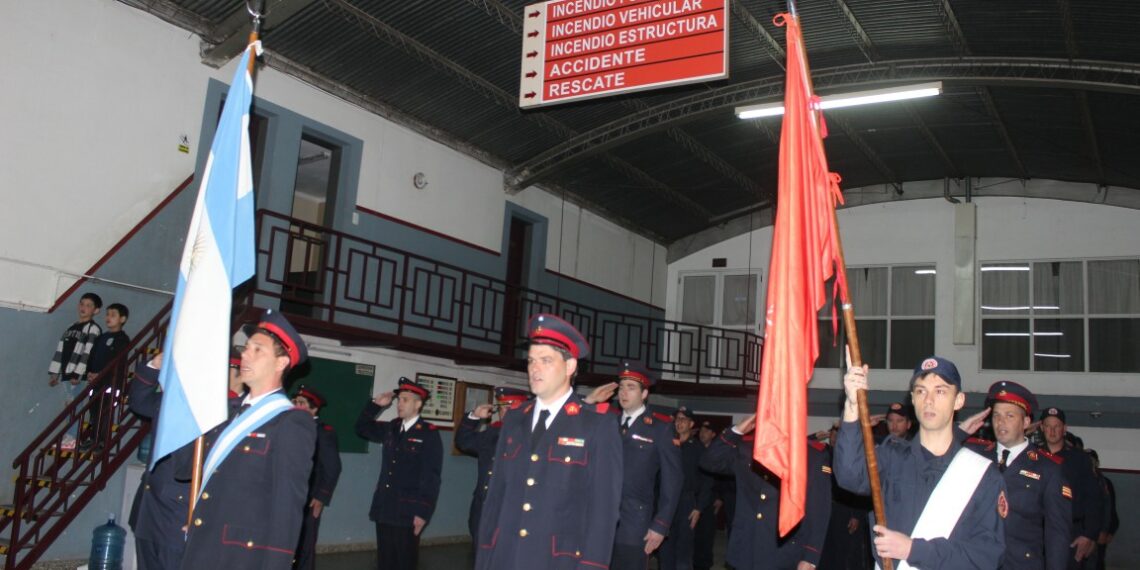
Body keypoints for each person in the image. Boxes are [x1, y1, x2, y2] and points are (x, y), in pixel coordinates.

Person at [474, 313, 622, 570]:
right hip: (505, 557)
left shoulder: (598, 425)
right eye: (531, 361)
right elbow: (496, 497)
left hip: (558, 561)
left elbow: (603, 512)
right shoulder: (515, 418)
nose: (534, 368)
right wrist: (485, 558)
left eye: (545, 360)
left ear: (570, 366)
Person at [834, 354, 1006, 570]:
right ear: (913, 399)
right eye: (921, 391)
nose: (929, 400)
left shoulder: (983, 475)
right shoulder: (891, 457)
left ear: (959, 400)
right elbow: (849, 475)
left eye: (940, 391)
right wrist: (852, 404)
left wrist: (912, 550)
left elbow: (986, 556)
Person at [180, 308, 317, 569]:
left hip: (242, 558)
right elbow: (184, 468)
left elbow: (287, 506)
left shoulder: (291, 422)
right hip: (202, 546)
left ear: (281, 363)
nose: (245, 354)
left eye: (257, 349)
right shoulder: (226, 415)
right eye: (246, 348)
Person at [963, 381, 1072, 570]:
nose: (1000, 422)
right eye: (996, 415)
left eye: (1009, 415)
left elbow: (1057, 533)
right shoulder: (976, 456)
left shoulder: (1047, 469)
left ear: (1026, 422)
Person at [700, 414, 832, 570]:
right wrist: (736, 431)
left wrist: (811, 557)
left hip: (784, 551)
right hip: (746, 547)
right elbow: (708, 462)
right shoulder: (746, 448)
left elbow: (819, 510)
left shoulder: (812, 455)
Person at [591, 361, 682, 569]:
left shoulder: (661, 428)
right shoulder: (606, 421)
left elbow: (673, 480)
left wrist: (661, 525)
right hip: (599, 517)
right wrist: (590, 401)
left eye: (631, 387)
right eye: (621, 387)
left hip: (634, 522)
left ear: (644, 394)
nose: (624, 393)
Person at [356, 377, 443, 570]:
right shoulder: (392, 428)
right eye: (399, 399)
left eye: (405, 399)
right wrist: (374, 405)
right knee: (385, 561)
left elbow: (431, 477)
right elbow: (361, 428)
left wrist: (422, 513)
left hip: (408, 512)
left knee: (405, 562)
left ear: (418, 403)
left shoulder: (428, 433)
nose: (399, 404)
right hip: (385, 507)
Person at [127, 351, 193, 570]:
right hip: (148, 510)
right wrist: (155, 365)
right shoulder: (167, 401)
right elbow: (139, 401)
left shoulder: (207, 409)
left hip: (176, 514)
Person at [454, 385, 529, 539]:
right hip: (483, 510)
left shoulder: (531, 438)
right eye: (502, 407)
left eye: (510, 407)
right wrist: (474, 416)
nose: (504, 412)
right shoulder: (492, 434)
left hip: (511, 513)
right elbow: (463, 442)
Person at [1040, 408, 1104, 569]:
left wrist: (1088, 534)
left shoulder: (1079, 459)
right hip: (1038, 531)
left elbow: (1093, 499)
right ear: (1041, 428)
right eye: (1048, 426)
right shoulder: (1033, 457)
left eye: (1057, 426)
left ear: (1065, 428)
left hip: (1071, 532)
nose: (1052, 431)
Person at [292, 385, 342, 570]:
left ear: (314, 408)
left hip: (309, 498)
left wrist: (321, 496)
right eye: (295, 402)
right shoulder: (289, 427)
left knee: (304, 546)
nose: (296, 406)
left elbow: (333, 467)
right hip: (289, 494)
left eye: (302, 403)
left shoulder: (323, 431)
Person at [657, 405, 713, 570]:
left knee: (683, 550)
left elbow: (707, 480)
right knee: (665, 546)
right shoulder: (666, 444)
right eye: (677, 419)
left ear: (691, 424)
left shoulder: (698, 449)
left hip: (687, 502)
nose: (679, 422)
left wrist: (699, 507)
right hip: (666, 501)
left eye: (683, 419)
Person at [48, 292, 103, 448]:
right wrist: (55, 373)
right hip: (66, 373)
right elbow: (60, 350)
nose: (83, 308)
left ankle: (72, 437)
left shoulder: (93, 329)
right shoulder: (70, 327)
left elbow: (87, 352)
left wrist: (78, 374)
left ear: (96, 310)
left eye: (88, 305)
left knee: (75, 406)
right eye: (82, 304)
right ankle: (69, 435)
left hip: (79, 375)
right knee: (68, 405)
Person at [80, 302, 130, 452]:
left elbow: (115, 361)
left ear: (122, 319)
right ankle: (93, 438)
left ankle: (101, 441)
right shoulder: (102, 337)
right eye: (107, 314)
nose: (108, 318)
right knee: (94, 411)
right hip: (96, 383)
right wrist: (89, 372)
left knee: (105, 412)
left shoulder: (122, 339)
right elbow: (93, 356)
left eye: (113, 315)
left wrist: (101, 373)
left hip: (110, 383)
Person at [693, 420, 721, 570]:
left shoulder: (716, 451)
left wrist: (719, 497)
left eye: (707, 431)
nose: (702, 433)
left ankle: (704, 564)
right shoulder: (695, 449)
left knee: (706, 533)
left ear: (713, 434)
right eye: (701, 430)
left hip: (710, 499)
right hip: (695, 497)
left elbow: (720, 477)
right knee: (695, 534)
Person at [1087, 451, 1117, 570]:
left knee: (1096, 562)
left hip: (1098, 531)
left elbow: (1108, 508)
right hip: (1084, 531)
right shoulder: (1079, 481)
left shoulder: (1103, 482)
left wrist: (1107, 530)